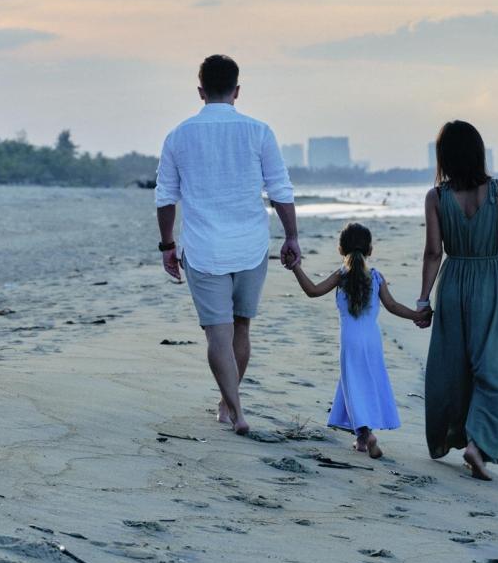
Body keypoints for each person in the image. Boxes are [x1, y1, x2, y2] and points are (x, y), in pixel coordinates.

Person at [154, 54, 300, 435]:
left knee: (217, 333)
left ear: (200, 90)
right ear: (237, 90)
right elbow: (280, 190)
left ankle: (234, 409)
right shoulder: (259, 132)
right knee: (241, 328)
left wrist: (167, 246)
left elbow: (165, 197)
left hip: (203, 248)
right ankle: (227, 404)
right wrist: (292, 236)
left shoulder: (178, 136)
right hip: (250, 246)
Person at [416, 120, 498, 480]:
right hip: (490, 281)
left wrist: (423, 299)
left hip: (453, 282)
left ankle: (459, 436)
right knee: (494, 367)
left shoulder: (436, 197)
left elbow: (433, 252)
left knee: (453, 367)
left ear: (443, 156)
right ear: (478, 152)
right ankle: (479, 443)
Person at [290, 223, 425, 458]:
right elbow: (393, 306)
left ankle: (365, 434)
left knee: (353, 384)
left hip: (350, 340)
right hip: (372, 341)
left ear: (341, 249)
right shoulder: (376, 277)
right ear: (370, 249)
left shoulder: (341, 276)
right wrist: (416, 315)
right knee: (365, 383)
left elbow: (312, 291)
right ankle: (362, 440)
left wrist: (296, 268)